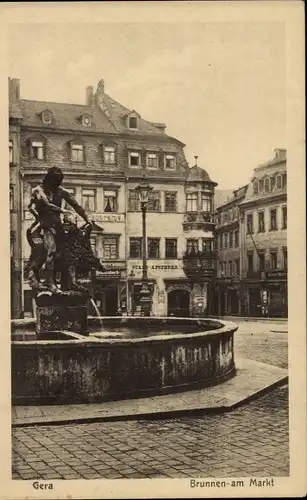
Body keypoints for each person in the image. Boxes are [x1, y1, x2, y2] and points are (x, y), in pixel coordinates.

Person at [27, 166, 91, 293]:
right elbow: (46, 204)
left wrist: (88, 219)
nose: (56, 185)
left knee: (68, 254)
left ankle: (70, 282)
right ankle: (50, 282)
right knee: (51, 251)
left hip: (57, 226)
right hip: (43, 226)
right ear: (49, 179)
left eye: (58, 182)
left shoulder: (61, 191)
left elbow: (77, 206)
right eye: (54, 182)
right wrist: (63, 210)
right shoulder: (38, 190)